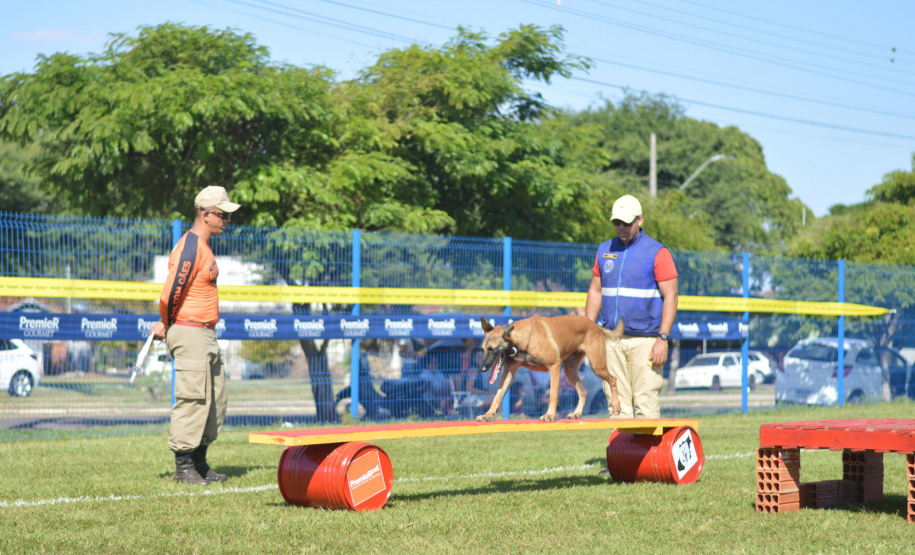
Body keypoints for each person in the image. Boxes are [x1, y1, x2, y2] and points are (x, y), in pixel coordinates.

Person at [150, 185, 240, 485]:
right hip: (190, 333)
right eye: (222, 214)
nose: (226, 220)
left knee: (215, 399)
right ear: (205, 214)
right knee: (193, 398)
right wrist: (166, 322)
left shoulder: (204, 246)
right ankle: (183, 466)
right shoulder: (190, 246)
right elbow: (170, 293)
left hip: (205, 333)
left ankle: (199, 463)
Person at [585, 194, 678, 419]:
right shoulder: (604, 250)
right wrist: (588, 333)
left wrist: (662, 339)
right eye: (617, 222)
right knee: (617, 408)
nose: (621, 227)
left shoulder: (658, 252)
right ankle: (622, 455)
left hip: (645, 341)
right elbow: (595, 291)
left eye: (627, 223)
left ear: (640, 220)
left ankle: (651, 456)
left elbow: (671, 297)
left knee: (646, 405)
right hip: (610, 340)